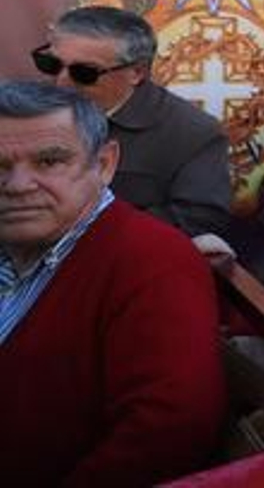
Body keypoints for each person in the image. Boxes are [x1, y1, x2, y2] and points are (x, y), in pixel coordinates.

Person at [0, 82, 226, 485]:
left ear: (104, 164)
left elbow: (170, 430)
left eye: (50, 161)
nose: (18, 186)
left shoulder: (152, 262)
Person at [33, 6, 232, 237]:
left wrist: (84, 234)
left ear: (136, 73)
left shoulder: (193, 133)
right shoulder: (21, 113)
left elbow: (199, 219)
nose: (61, 81)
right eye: (51, 64)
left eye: (85, 73)